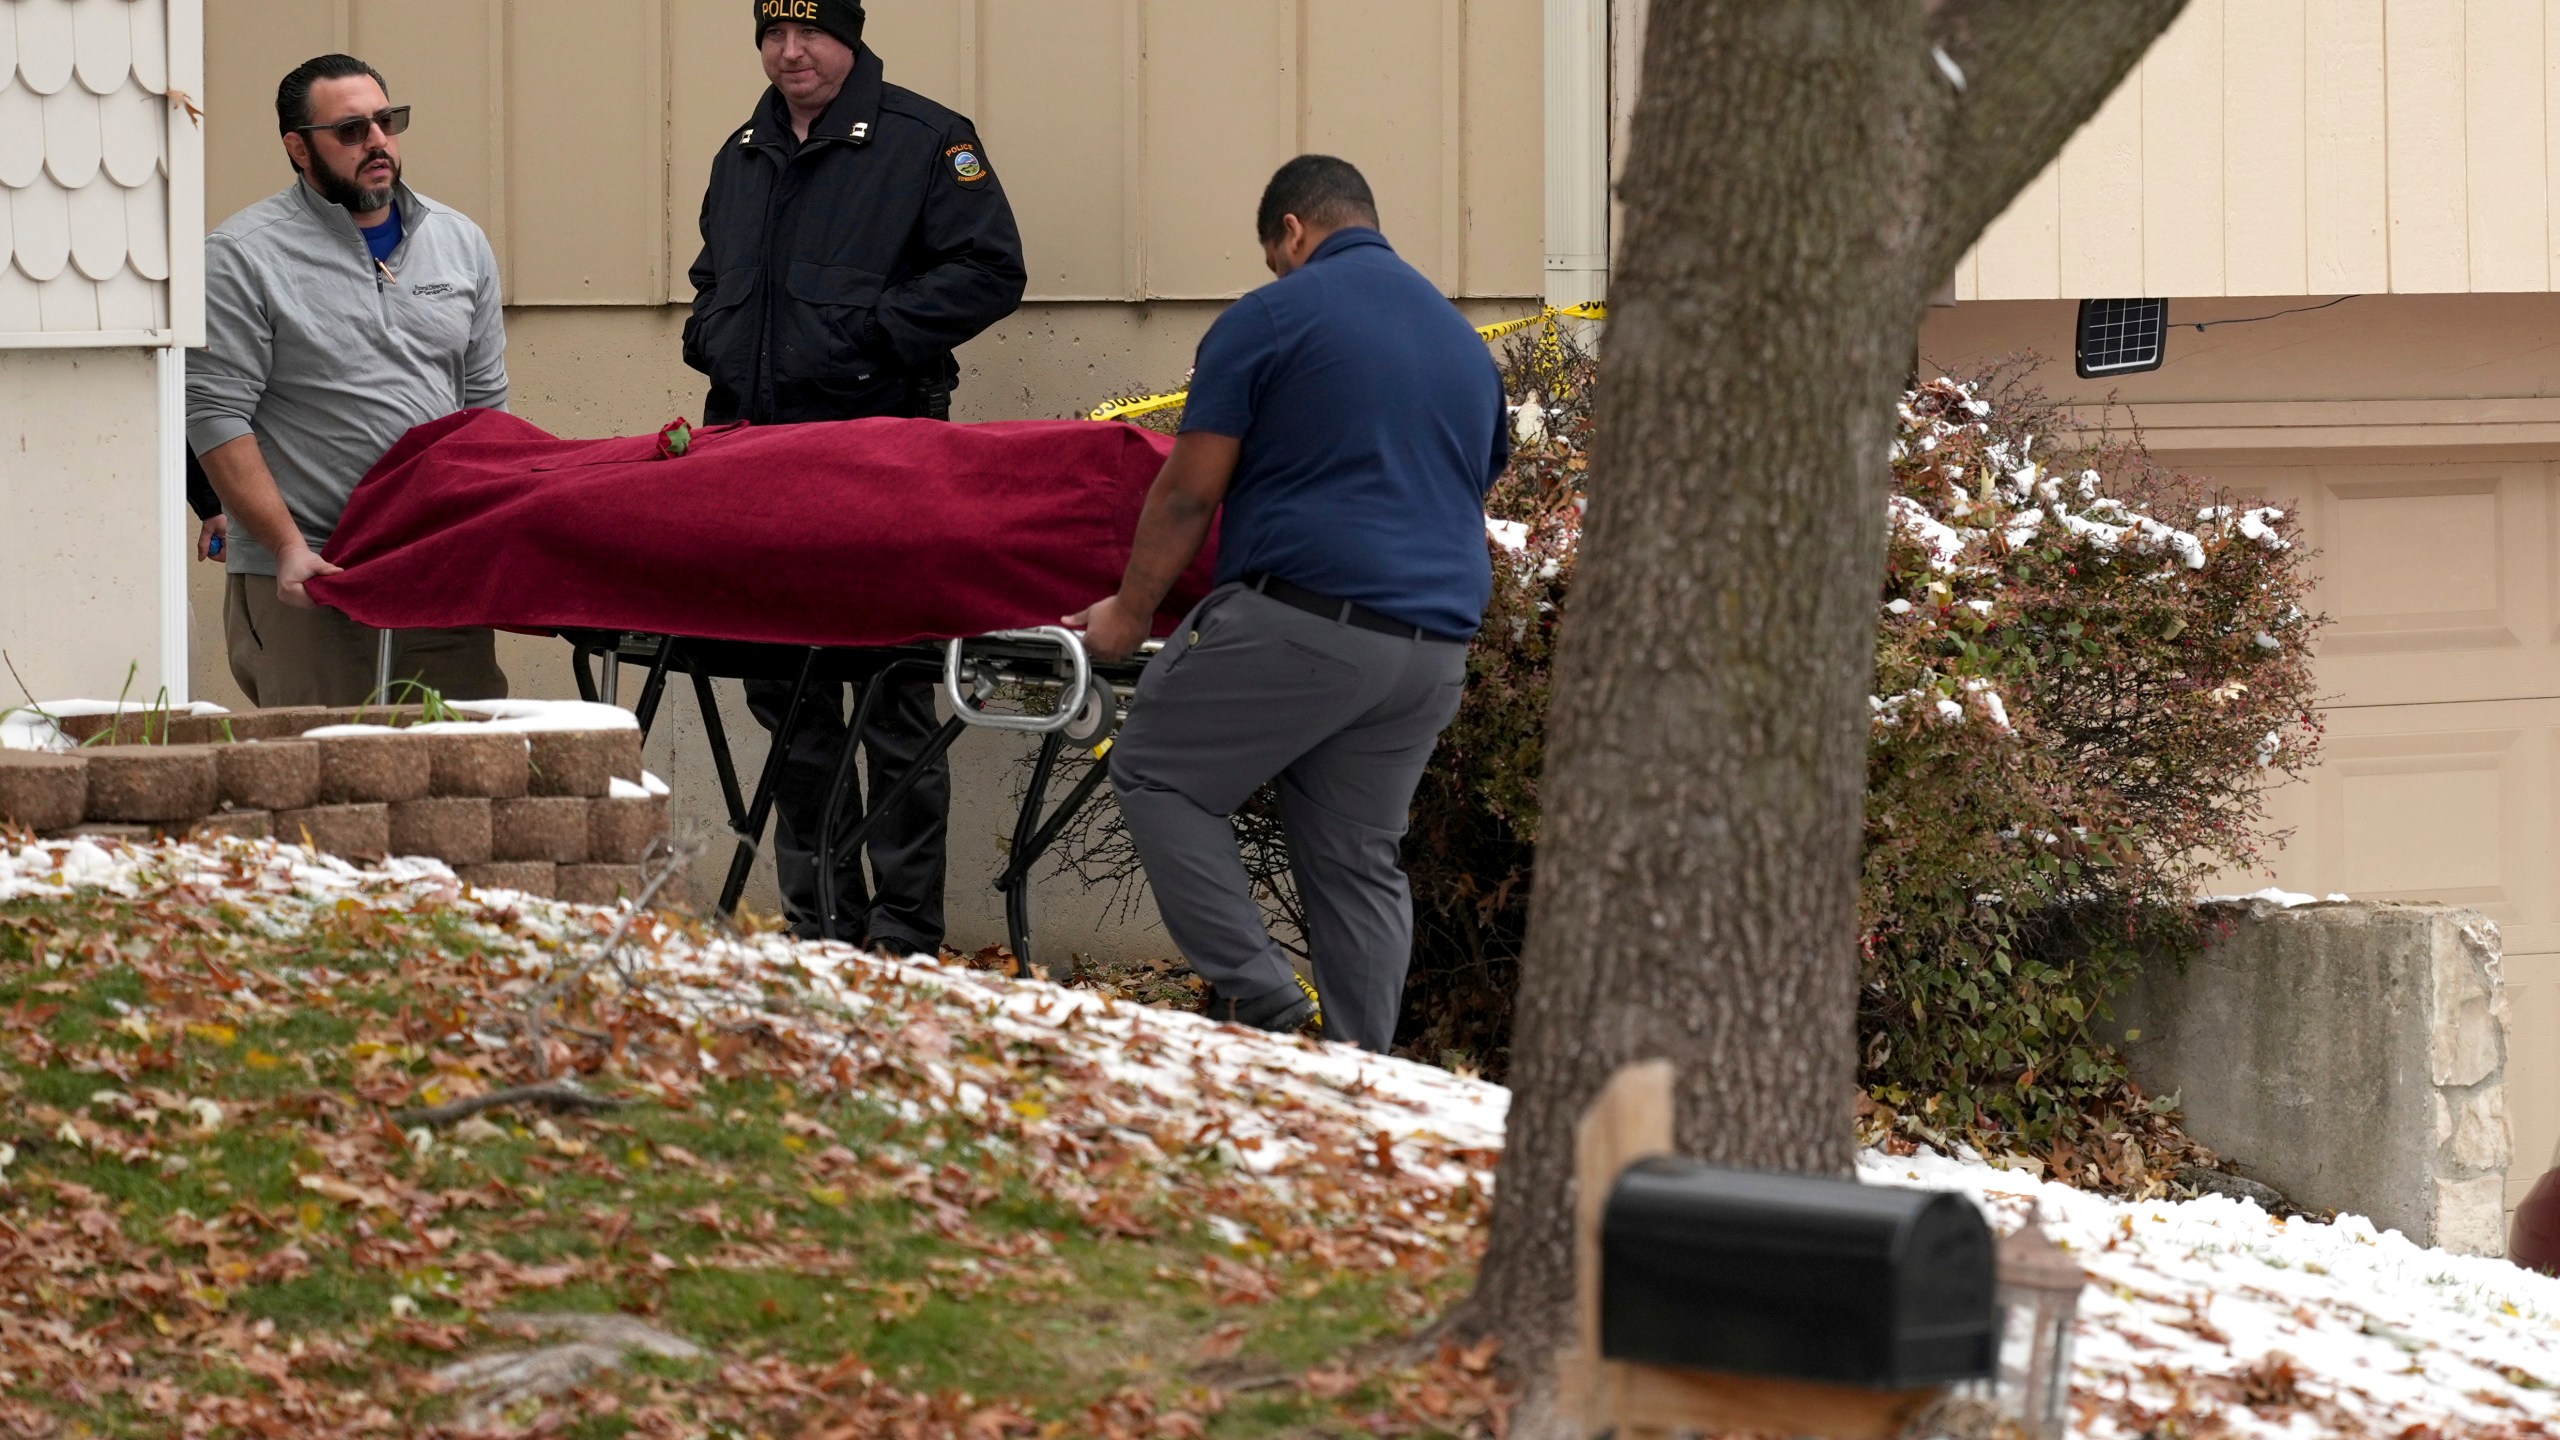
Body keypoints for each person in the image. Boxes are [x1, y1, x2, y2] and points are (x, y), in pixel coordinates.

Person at [1070, 157, 1510, 1054]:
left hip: (1308, 617)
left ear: (1292, 233)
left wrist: (1128, 609)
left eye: (1277, 255)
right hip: (1432, 649)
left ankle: (1265, 996)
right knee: (1355, 860)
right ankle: (1362, 1079)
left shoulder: (1270, 316)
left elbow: (1190, 492)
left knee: (1157, 769)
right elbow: (1477, 478)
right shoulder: (1462, 341)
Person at [685, 0, 1027, 953]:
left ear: (851, 35)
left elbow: (990, 271)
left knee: (892, 702)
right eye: (772, 34)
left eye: (811, 33)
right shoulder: (741, 152)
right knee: (789, 708)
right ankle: (819, 924)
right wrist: (709, 335)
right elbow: (715, 279)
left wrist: (870, 337)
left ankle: (907, 934)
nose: (790, 52)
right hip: (756, 470)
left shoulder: (927, 140)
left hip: (881, 468)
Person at [187, 54, 512, 707]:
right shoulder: (242, 255)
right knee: (324, 788)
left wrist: (480, 536)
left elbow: (485, 410)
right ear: (298, 148)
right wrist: (285, 547)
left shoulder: (459, 242)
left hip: (433, 570)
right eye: (351, 130)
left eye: (387, 122)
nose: (378, 143)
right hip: (309, 577)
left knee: (463, 778)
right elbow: (217, 418)